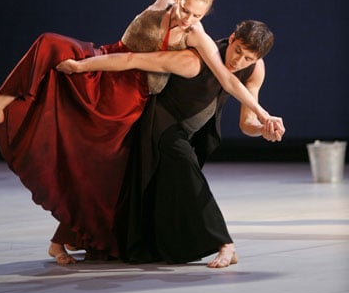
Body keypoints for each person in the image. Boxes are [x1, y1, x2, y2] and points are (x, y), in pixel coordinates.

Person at [0, 0, 282, 266]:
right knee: (50, 44)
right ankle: (3, 104)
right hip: (107, 64)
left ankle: (61, 239)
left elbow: (228, 82)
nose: (189, 18)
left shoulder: (199, 40)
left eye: (198, 15)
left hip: (127, 98)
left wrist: (263, 115)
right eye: (187, 10)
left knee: (100, 169)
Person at [62, 20, 284, 268]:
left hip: (191, 134)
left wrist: (262, 130)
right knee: (185, 172)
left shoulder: (255, 70)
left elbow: (247, 124)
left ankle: (74, 236)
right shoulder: (194, 59)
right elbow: (132, 60)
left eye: (248, 59)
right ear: (231, 38)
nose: (238, 61)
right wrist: (80, 66)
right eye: (238, 51)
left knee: (156, 191)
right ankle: (225, 244)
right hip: (161, 124)